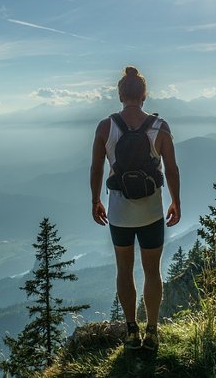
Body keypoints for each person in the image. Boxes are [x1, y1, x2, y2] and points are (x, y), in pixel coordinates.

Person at [90, 66, 181, 351]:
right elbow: (172, 168)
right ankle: (152, 331)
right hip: (152, 211)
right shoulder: (160, 127)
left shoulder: (106, 127)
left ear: (120, 94)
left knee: (124, 270)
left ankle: (131, 332)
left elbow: (96, 167)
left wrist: (95, 200)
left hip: (119, 212)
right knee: (152, 272)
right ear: (144, 94)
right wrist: (176, 201)